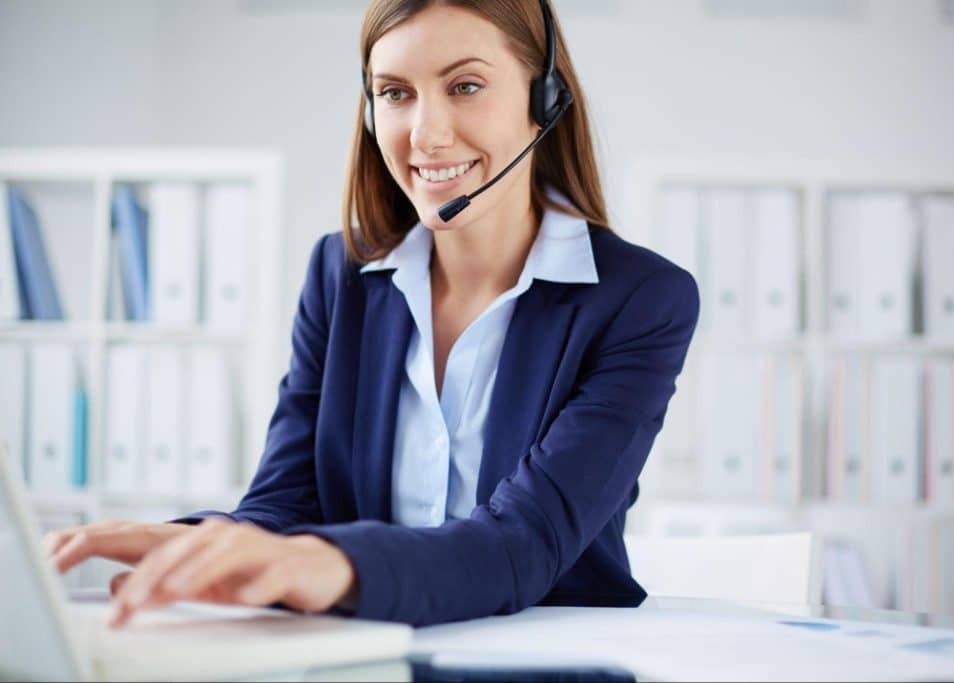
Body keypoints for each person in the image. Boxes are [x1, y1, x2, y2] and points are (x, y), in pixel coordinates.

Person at [43, 0, 699, 628]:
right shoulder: (340, 276)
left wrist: (334, 564)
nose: (427, 134)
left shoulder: (640, 301)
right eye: (395, 92)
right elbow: (286, 503)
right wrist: (181, 541)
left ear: (543, 100)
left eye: (465, 86)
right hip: (360, 655)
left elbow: (525, 541)